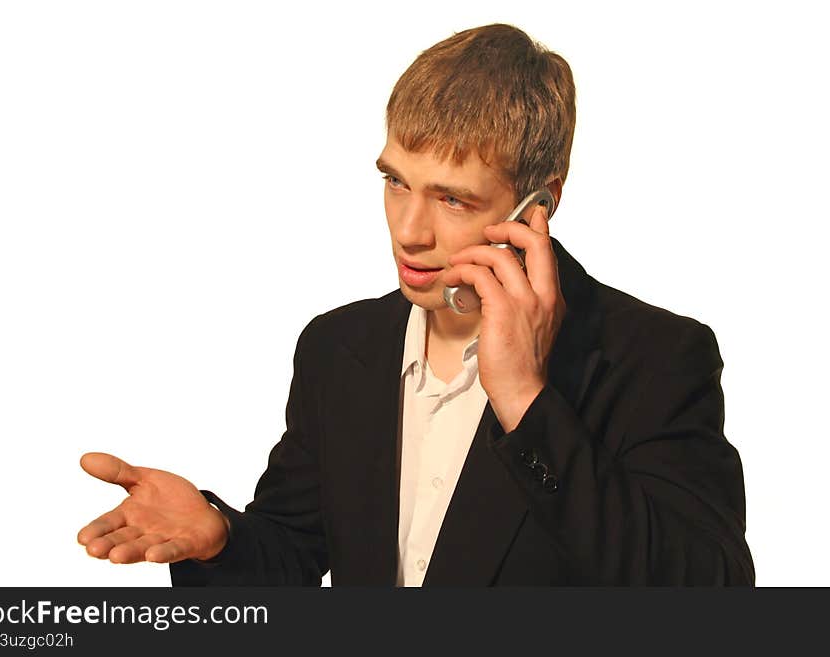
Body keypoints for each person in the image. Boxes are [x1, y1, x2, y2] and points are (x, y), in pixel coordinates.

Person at [77, 23, 755, 585]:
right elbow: (292, 552)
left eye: (452, 198)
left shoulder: (655, 358)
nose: (409, 230)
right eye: (396, 182)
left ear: (540, 202)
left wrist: (526, 401)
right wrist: (218, 539)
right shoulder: (339, 349)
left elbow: (709, 591)